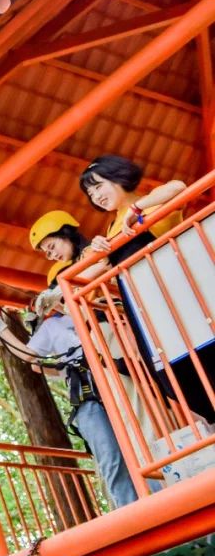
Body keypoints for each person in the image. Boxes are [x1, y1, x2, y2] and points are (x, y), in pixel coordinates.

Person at [0, 210, 138, 507]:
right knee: (110, 459)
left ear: (66, 231)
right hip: (85, 390)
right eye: (44, 251)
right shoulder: (54, 325)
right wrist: (2, 329)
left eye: (50, 243)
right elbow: (32, 358)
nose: (49, 251)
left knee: (141, 444)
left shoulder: (97, 279)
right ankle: (135, 515)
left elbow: (101, 271)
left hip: (117, 369)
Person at [79, 155, 214, 423]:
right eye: (90, 192)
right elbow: (82, 278)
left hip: (185, 299)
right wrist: (94, 252)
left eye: (99, 186)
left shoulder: (152, 204)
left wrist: (137, 209)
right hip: (152, 315)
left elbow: (177, 187)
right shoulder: (108, 231)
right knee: (174, 378)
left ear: (118, 177)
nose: (96, 196)